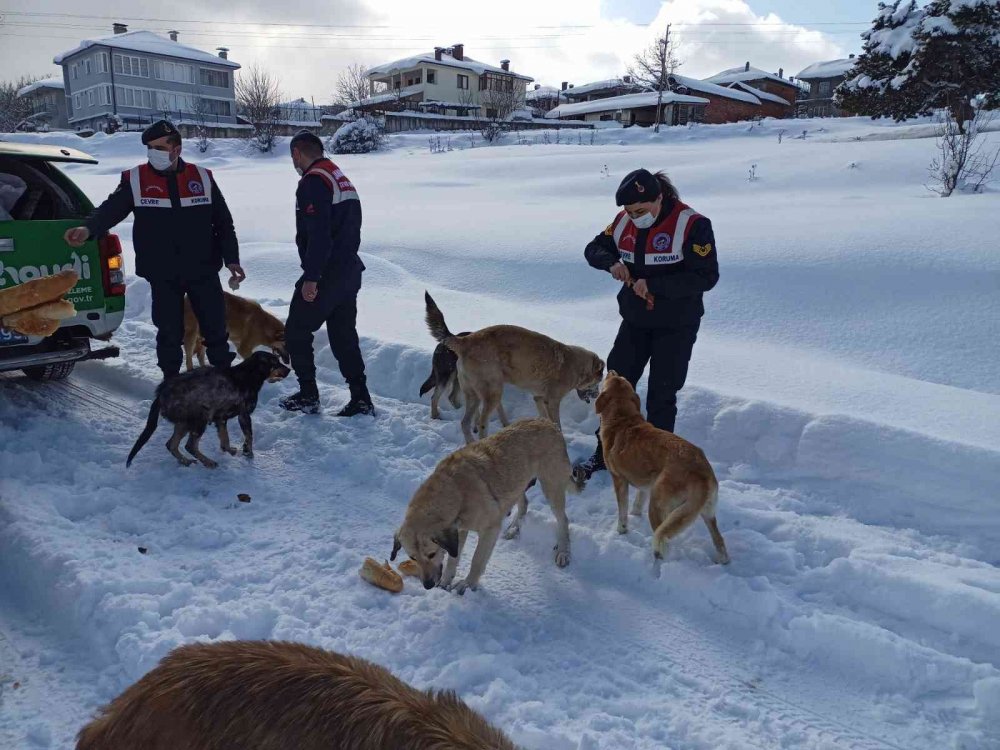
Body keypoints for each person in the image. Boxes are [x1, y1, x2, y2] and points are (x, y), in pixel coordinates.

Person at [64, 119, 244, 379]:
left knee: (215, 329)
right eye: (150, 147)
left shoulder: (202, 177)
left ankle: (224, 381)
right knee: (169, 332)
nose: (153, 153)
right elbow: (110, 209)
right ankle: (170, 383)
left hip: (202, 268)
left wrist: (232, 260)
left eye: (159, 147)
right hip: (163, 272)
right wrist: (88, 229)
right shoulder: (136, 179)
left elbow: (223, 222)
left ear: (177, 149)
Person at [575, 168, 719, 481]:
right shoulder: (623, 222)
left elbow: (706, 277)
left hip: (676, 325)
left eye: (640, 210)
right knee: (614, 390)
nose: (634, 216)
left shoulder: (692, 225)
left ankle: (658, 466)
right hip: (634, 322)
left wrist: (653, 285)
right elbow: (593, 248)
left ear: (659, 198)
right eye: (628, 211)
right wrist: (611, 263)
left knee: (661, 397)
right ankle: (604, 456)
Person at [279, 130, 373, 417]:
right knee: (343, 335)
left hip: (327, 274)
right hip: (348, 271)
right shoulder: (339, 176)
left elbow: (318, 233)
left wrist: (311, 277)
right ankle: (361, 398)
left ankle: (308, 394)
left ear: (297, 153)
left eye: (293, 157)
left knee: (296, 331)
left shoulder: (314, 181)